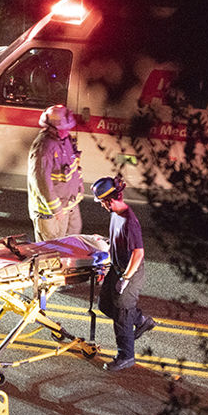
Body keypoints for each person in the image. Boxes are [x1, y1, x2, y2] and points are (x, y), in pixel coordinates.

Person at [92, 176, 156, 372]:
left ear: (109, 200)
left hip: (130, 273)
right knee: (104, 305)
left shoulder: (129, 221)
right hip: (117, 268)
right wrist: (106, 265)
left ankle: (126, 356)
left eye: (102, 202)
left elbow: (138, 253)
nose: (102, 206)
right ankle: (141, 321)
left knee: (122, 314)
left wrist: (125, 279)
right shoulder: (115, 214)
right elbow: (115, 243)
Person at [27, 104, 83, 241]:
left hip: (68, 206)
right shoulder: (43, 147)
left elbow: (73, 168)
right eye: (65, 127)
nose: (68, 129)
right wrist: (56, 209)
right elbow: (41, 182)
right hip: (50, 213)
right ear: (53, 128)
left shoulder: (65, 140)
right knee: (50, 253)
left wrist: (78, 190)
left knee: (69, 247)